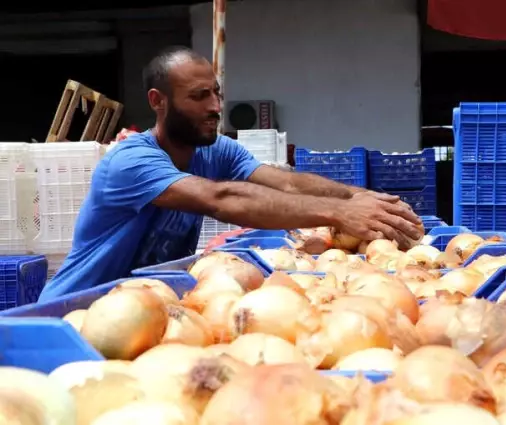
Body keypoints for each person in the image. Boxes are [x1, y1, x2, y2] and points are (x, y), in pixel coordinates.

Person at [38, 46, 422, 302]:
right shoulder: (131, 161)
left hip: (146, 302)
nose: (215, 106)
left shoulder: (215, 149)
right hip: (78, 309)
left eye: (216, 93)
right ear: (159, 102)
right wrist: (338, 214)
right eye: (199, 96)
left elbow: (286, 181)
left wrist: (356, 198)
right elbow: (221, 200)